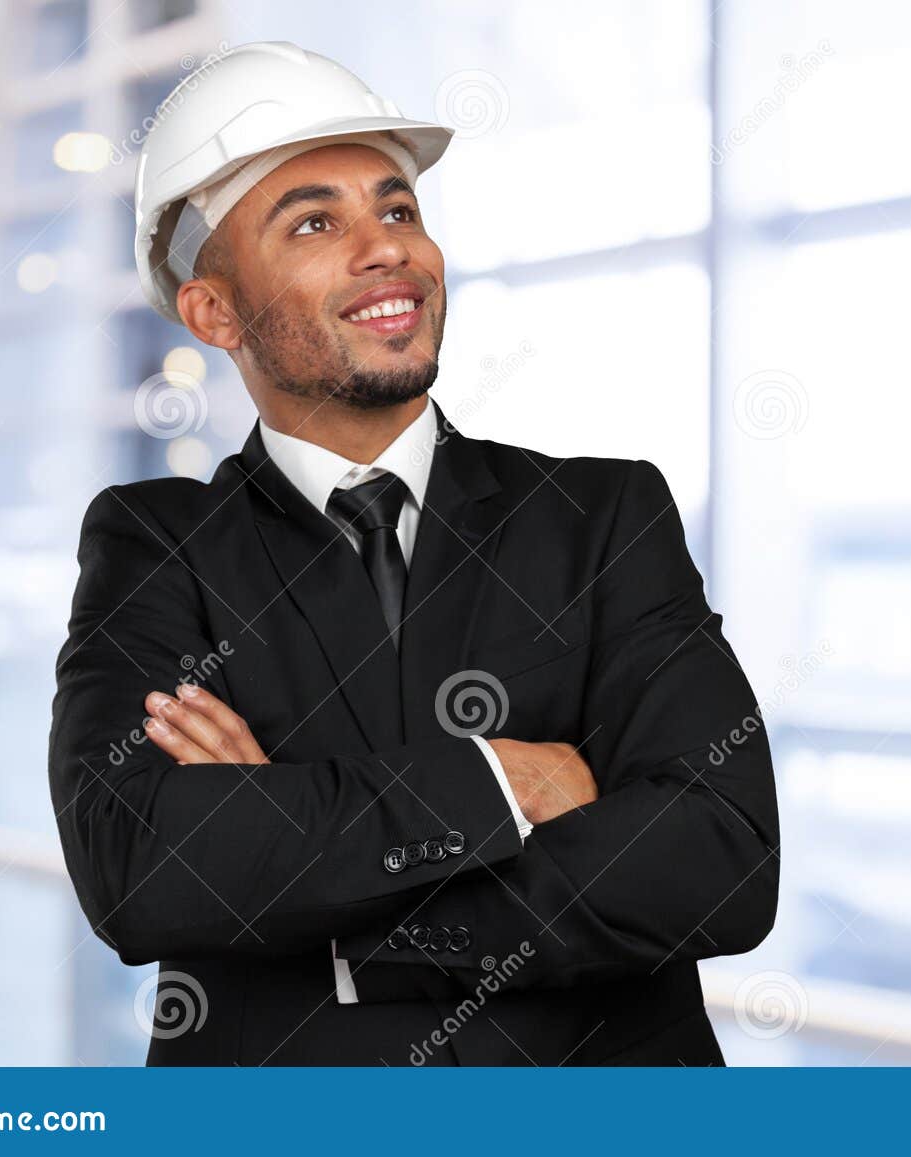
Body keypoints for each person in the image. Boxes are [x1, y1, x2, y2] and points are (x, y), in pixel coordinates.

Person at [49, 41, 778, 1065]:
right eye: (315, 221)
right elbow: (139, 864)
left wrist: (330, 898)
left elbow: (720, 855)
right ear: (214, 311)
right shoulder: (157, 541)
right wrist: (502, 780)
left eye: (397, 210)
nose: (388, 247)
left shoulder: (602, 514)